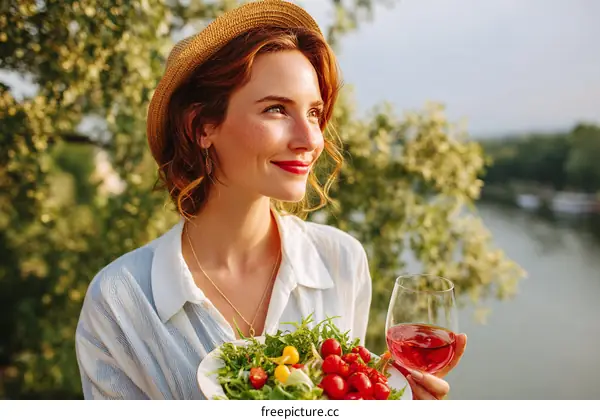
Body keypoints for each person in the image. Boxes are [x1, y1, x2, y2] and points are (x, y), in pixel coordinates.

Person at [74, 0, 466, 400]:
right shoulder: (120, 301)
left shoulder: (342, 262)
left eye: (314, 112)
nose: (311, 139)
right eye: (277, 109)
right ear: (201, 126)